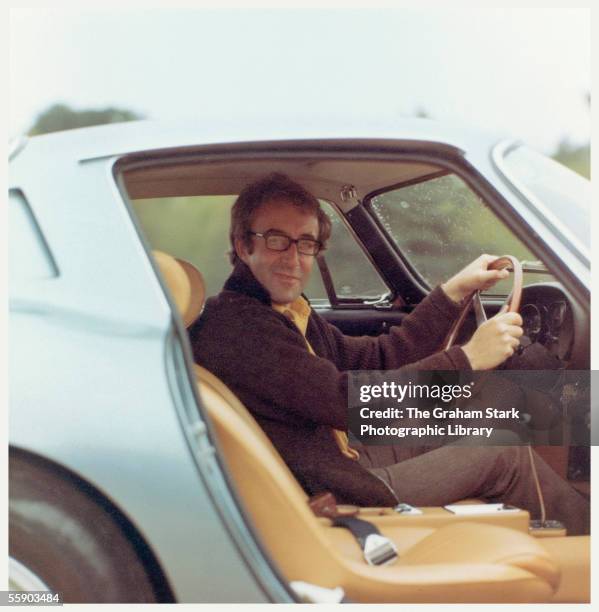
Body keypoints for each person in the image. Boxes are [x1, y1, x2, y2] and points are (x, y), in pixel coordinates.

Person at [189, 172, 589, 535]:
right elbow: (347, 401)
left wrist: (452, 293)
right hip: (343, 484)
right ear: (243, 245)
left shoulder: (278, 311)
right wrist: (468, 359)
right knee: (504, 455)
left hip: (339, 451)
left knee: (484, 413)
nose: (294, 259)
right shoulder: (242, 328)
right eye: (277, 240)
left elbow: (376, 358)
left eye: (306, 243)